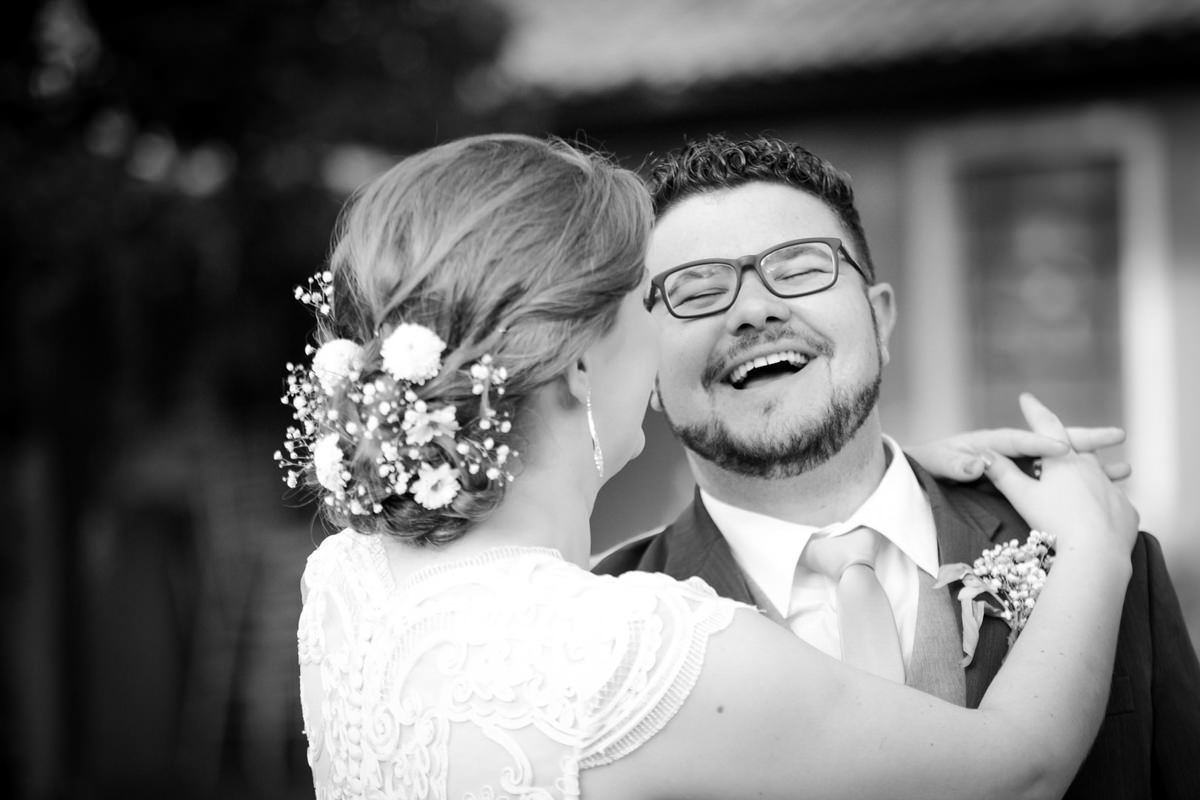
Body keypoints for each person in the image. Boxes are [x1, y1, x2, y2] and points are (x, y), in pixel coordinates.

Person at [284, 133, 1138, 800]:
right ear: (580, 361)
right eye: (669, 296)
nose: (753, 312)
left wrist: (902, 475)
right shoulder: (655, 651)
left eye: (799, 271)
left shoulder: (346, 588)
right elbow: (1019, 768)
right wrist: (1099, 548)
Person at [595, 134, 1200, 799]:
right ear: (647, 371)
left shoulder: (1096, 549)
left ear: (880, 319)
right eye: (697, 290)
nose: (754, 311)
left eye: (798, 270)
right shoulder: (602, 634)